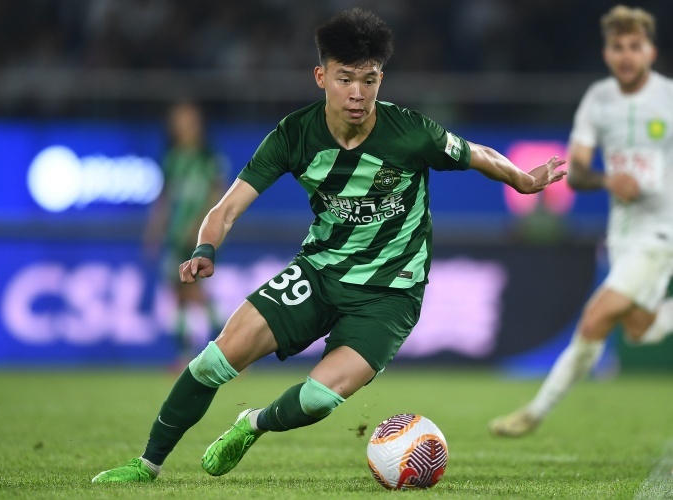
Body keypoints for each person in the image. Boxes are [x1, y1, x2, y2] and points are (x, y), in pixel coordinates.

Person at [92, 7, 566, 483]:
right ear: (321, 77)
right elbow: (226, 208)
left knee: (318, 399)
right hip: (318, 273)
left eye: (368, 80)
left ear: (381, 80)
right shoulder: (294, 135)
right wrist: (204, 250)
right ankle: (146, 465)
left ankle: (253, 423)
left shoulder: (410, 132)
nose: (357, 93)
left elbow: (476, 153)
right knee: (215, 360)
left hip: (390, 294)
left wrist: (522, 180)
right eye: (345, 79)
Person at [490, 5, 673, 438]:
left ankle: (533, 413)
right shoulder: (598, 100)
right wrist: (609, 179)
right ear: (607, 53)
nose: (625, 55)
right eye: (617, 47)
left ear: (650, 52)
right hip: (622, 233)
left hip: (662, 230)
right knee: (639, 329)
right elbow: (579, 171)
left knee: (594, 318)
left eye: (634, 46)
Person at [143, 102, 226, 366]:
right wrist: (154, 231)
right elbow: (165, 200)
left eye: (188, 121)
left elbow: (218, 197)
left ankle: (226, 349)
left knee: (193, 291)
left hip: (198, 238)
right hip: (175, 237)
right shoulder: (172, 159)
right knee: (178, 294)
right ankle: (185, 355)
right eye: (178, 121)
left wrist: (204, 227)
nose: (183, 126)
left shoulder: (208, 159)